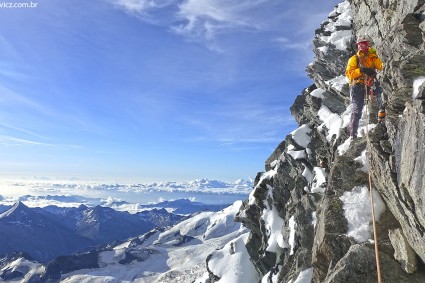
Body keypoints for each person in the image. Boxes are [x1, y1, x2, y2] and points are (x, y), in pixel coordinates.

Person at [345, 36, 383, 138]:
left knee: (381, 96)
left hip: (369, 84)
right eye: (359, 44)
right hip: (357, 85)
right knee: (357, 109)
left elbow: (381, 66)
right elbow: (349, 73)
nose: (360, 46)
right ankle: (353, 135)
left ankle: (381, 120)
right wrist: (361, 70)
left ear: (368, 45)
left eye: (363, 44)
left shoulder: (373, 58)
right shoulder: (355, 59)